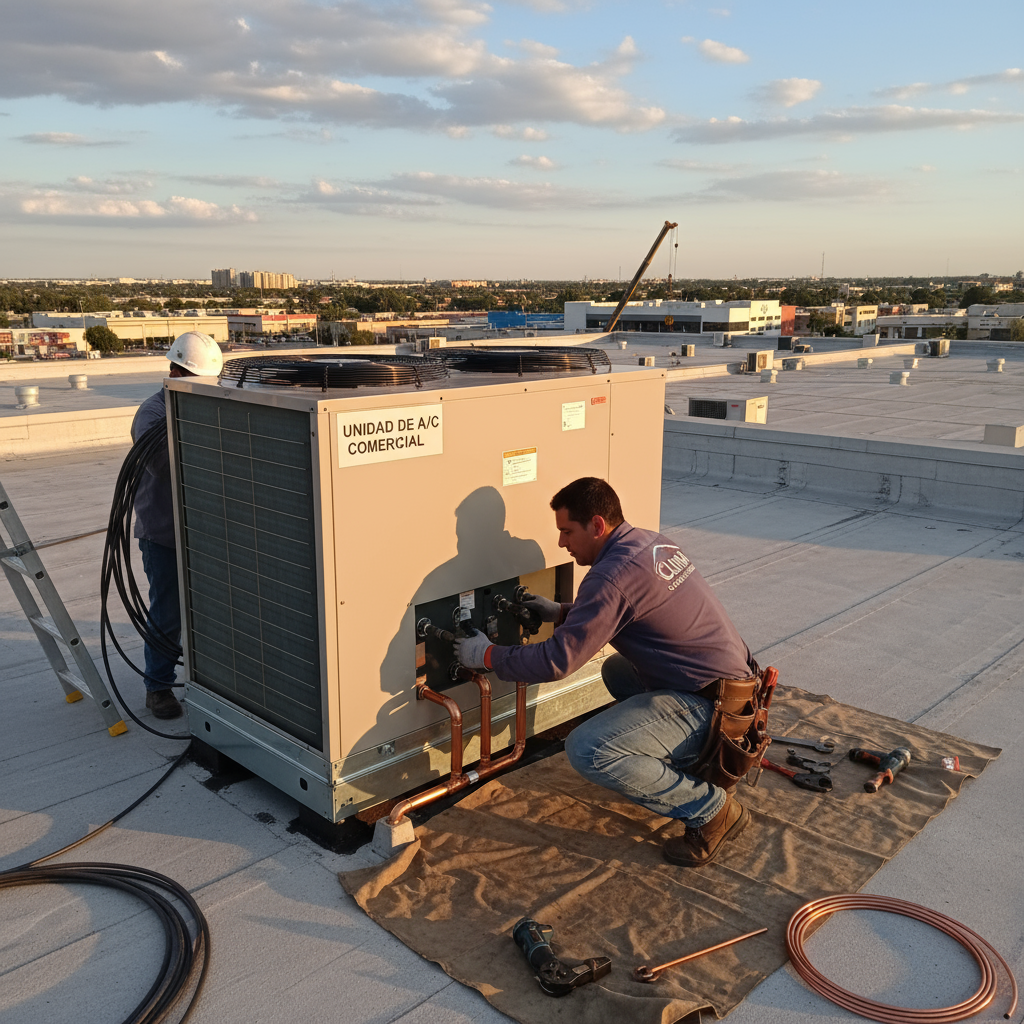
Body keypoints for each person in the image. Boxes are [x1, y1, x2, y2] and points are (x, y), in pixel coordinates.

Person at [454, 476, 760, 868]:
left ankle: (711, 809)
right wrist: (561, 612)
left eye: (567, 531)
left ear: (597, 525)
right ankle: (691, 766)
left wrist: (488, 655)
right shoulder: (650, 542)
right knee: (618, 671)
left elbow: (555, 662)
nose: (562, 542)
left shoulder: (610, 576)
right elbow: (625, 613)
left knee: (588, 749)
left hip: (713, 709)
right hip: (734, 692)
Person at [130, 331, 223, 719]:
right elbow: (164, 466)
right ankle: (158, 686)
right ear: (173, 372)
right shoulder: (152, 415)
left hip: (205, 533)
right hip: (165, 534)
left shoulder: (208, 409)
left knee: (216, 609)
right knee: (168, 611)